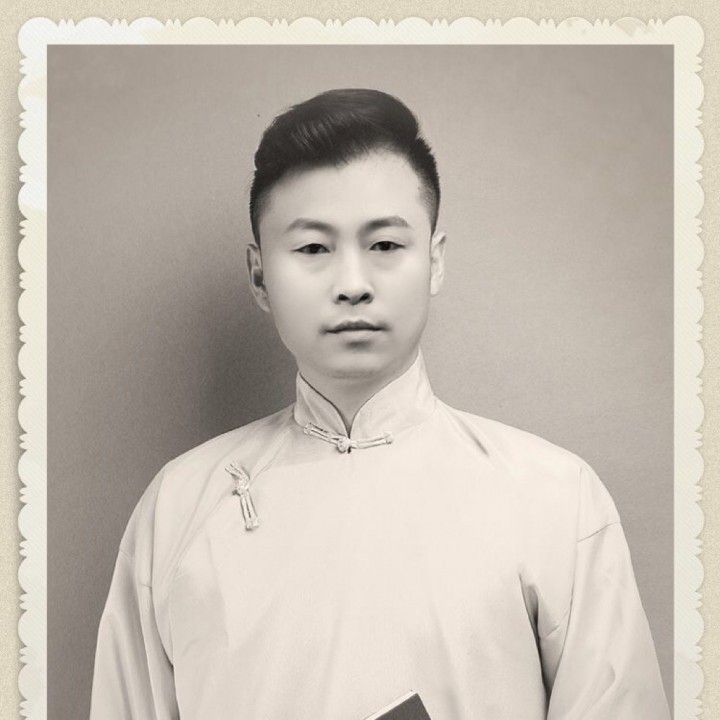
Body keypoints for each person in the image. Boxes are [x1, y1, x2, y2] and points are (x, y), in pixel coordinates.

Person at [89, 88, 670, 720]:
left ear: (434, 261)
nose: (353, 284)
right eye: (313, 248)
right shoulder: (177, 507)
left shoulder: (555, 497)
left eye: (386, 246)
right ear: (260, 276)